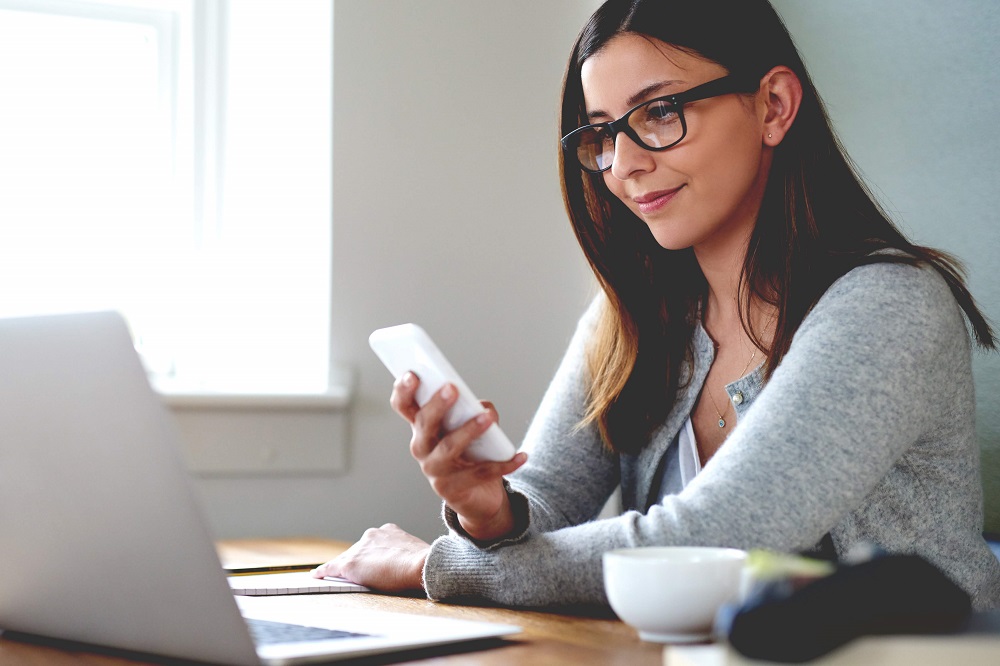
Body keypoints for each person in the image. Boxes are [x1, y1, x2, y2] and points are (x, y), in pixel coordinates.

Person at [313, 0, 1000, 611]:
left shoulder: (890, 305)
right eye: (604, 132)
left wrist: (435, 564)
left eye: (660, 112)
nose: (622, 163)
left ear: (774, 106)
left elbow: (712, 539)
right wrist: (488, 514)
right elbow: (546, 507)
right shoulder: (634, 316)